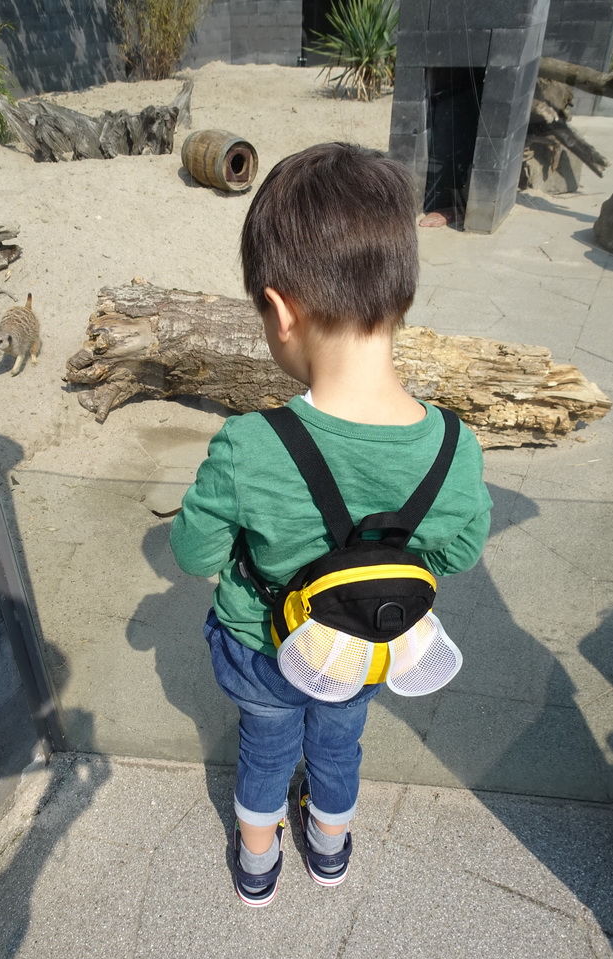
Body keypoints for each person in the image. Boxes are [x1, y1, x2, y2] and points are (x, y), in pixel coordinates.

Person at [169, 143, 492, 906]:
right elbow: (465, 550)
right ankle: (330, 848)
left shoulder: (252, 445)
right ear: (402, 293)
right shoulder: (455, 446)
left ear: (281, 311)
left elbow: (192, 553)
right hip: (368, 641)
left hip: (263, 647)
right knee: (340, 738)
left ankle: (256, 861)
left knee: (266, 740)